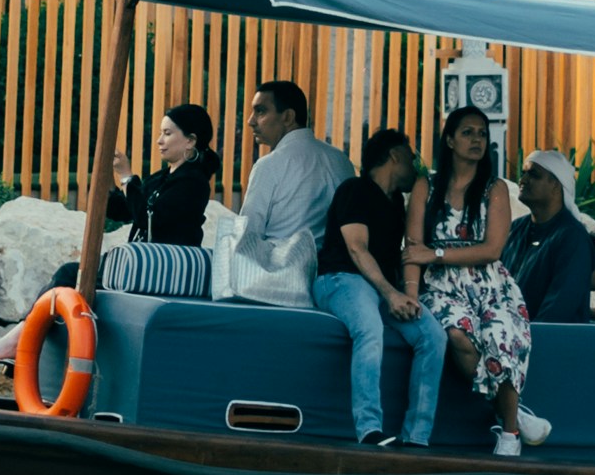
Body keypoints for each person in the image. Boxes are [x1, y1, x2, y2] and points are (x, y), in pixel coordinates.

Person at [407, 102, 552, 455]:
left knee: (501, 338)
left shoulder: (495, 189)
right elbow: (413, 250)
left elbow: (491, 250)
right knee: (459, 336)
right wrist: (411, 292)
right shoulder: (426, 186)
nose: (476, 140)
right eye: (467, 132)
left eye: (482, 134)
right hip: (442, 287)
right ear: (450, 140)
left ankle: (509, 436)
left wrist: (437, 253)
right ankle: (514, 415)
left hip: (490, 284)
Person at [314, 124, 421, 445]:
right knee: (370, 328)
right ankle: (369, 429)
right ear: (394, 155)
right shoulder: (355, 190)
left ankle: (418, 435)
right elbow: (357, 248)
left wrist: (407, 294)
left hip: (379, 289)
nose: (416, 164)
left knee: (431, 334)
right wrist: (392, 294)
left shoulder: (397, 203)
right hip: (341, 279)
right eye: (411, 157)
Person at [225, 78, 351, 300]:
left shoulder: (269, 165)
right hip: (334, 280)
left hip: (279, 281)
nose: (250, 121)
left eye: (261, 111)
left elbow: (248, 234)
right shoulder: (340, 160)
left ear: (288, 117)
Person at [500, 149, 595, 324]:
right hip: (506, 337)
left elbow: (558, 312)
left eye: (533, 175)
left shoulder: (572, 238)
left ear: (556, 185)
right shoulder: (516, 228)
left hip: (551, 343)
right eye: (524, 174)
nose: (523, 180)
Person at [110, 102, 218, 250]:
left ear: (190, 141)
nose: (159, 140)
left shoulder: (194, 182)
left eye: (167, 133)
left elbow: (148, 220)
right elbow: (123, 211)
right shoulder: (161, 177)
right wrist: (107, 180)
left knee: (71, 271)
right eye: (161, 133)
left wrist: (126, 176)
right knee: (72, 270)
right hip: (146, 261)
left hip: (167, 267)